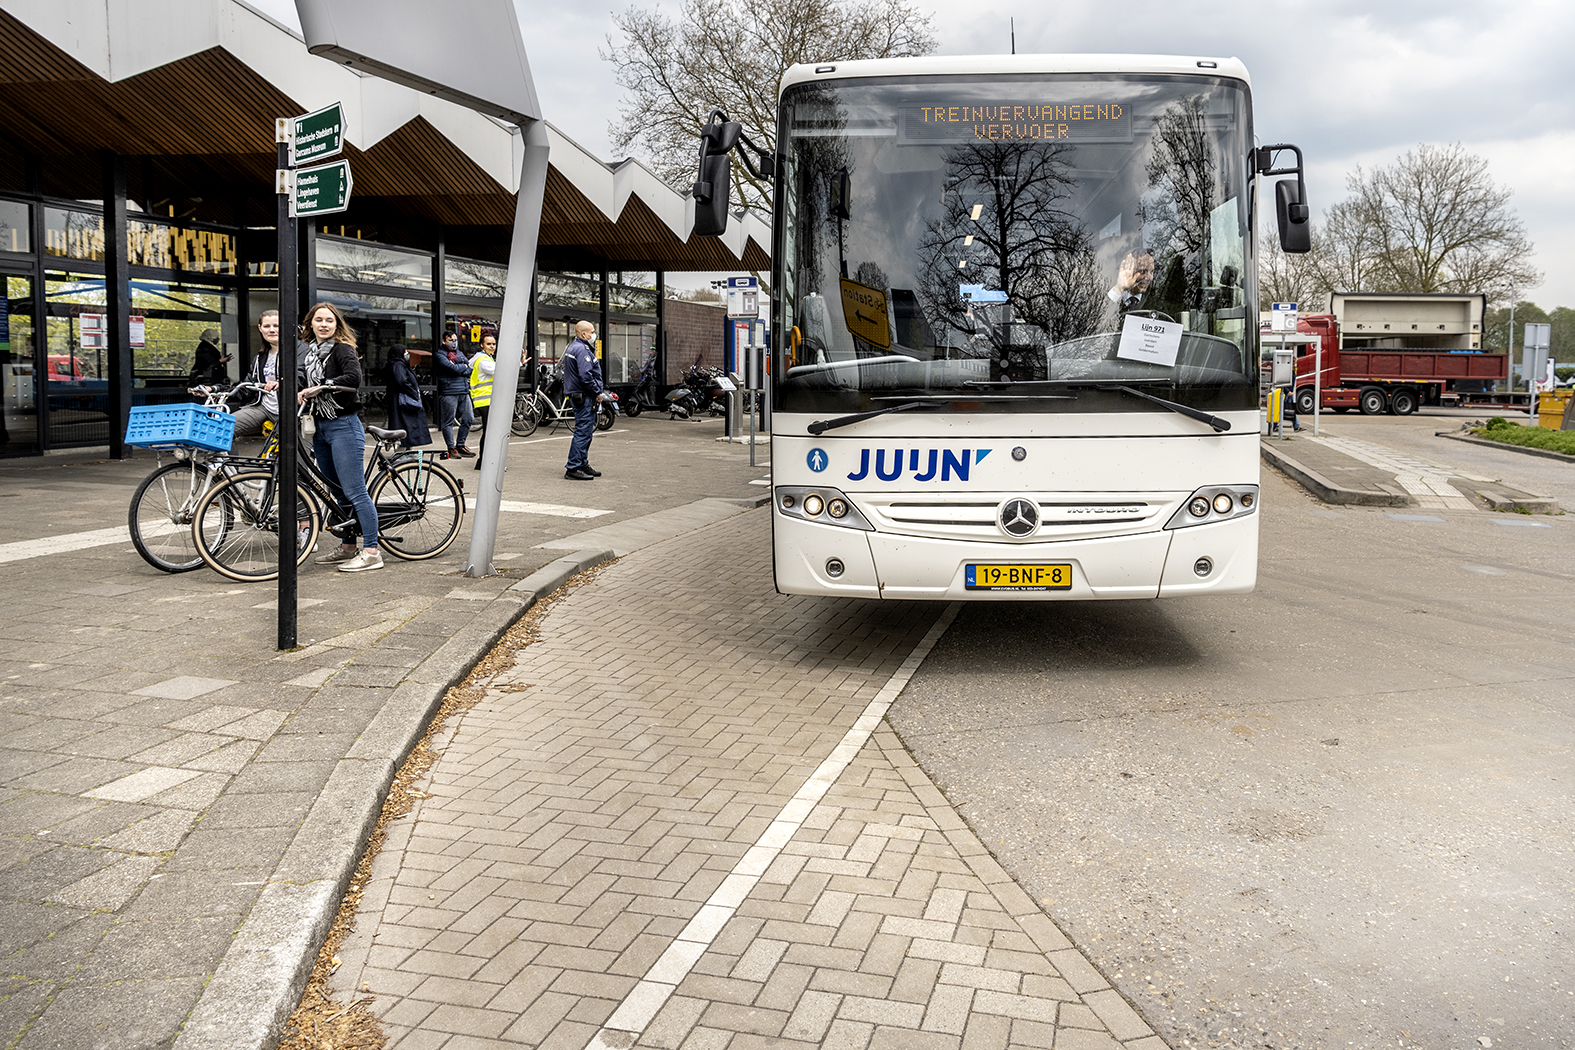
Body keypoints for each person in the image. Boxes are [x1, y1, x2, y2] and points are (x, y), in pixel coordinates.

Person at [299, 302, 382, 573]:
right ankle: (348, 547)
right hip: (320, 427)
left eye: (329, 321)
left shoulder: (342, 349)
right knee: (336, 492)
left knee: (355, 491)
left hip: (344, 425)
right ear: (310, 324)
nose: (324, 325)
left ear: (337, 325)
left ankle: (371, 551)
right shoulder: (310, 354)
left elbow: (353, 377)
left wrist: (322, 387)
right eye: (319, 320)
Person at [561, 319, 604, 481]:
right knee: (583, 432)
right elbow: (586, 376)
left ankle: (582, 463)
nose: (594, 335)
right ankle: (573, 467)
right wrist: (597, 391)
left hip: (582, 395)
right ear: (583, 334)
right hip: (584, 395)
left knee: (586, 433)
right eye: (592, 332)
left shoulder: (575, 347)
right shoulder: (581, 349)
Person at [231, 310, 282, 438]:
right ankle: (226, 459)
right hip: (264, 407)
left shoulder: (299, 351)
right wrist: (219, 389)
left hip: (291, 411)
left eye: (276, 326)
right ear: (260, 328)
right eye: (266, 326)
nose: (271, 330)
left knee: (296, 455)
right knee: (224, 427)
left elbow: (300, 375)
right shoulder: (260, 357)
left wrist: (282, 383)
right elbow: (247, 385)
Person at [434, 330, 475, 459]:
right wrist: (461, 367)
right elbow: (452, 369)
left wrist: (459, 368)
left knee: (468, 418)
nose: (454, 342)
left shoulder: (460, 353)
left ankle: (460, 444)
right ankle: (451, 448)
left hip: (463, 391)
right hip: (448, 392)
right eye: (450, 340)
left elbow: (469, 369)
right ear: (443, 341)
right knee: (448, 422)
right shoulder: (440, 355)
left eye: (455, 340)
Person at [385, 343, 431, 449]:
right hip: (401, 401)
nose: (407, 354)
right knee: (404, 425)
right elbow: (402, 381)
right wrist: (414, 392)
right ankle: (401, 453)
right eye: (405, 352)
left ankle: (403, 450)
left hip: (398, 399)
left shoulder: (395, 364)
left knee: (402, 426)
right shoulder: (398, 364)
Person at [468, 333, 497, 471]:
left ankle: (483, 461)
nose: (492, 347)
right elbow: (500, 372)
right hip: (485, 401)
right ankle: (484, 462)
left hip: (486, 401)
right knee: (489, 433)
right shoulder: (483, 361)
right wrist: (519, 363)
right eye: (488, 344)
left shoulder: (487, 358)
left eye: (493, 344)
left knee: (489, 432)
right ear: (482, 345)